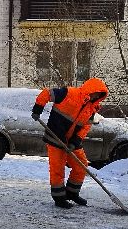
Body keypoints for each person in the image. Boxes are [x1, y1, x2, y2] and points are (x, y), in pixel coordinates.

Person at [31, 78, 109, 209]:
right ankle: (59, 198)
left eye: (99, 96)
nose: (96, 97)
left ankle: (72, 193)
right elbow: (46, 93)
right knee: (57, 168)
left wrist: (75, 142)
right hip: (55, 137)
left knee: (81, 165)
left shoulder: (91, 108)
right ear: (90, 89)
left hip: (71, 141)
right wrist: (38, 108)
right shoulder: (68, 93)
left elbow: (85, 127)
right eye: (96, 93)